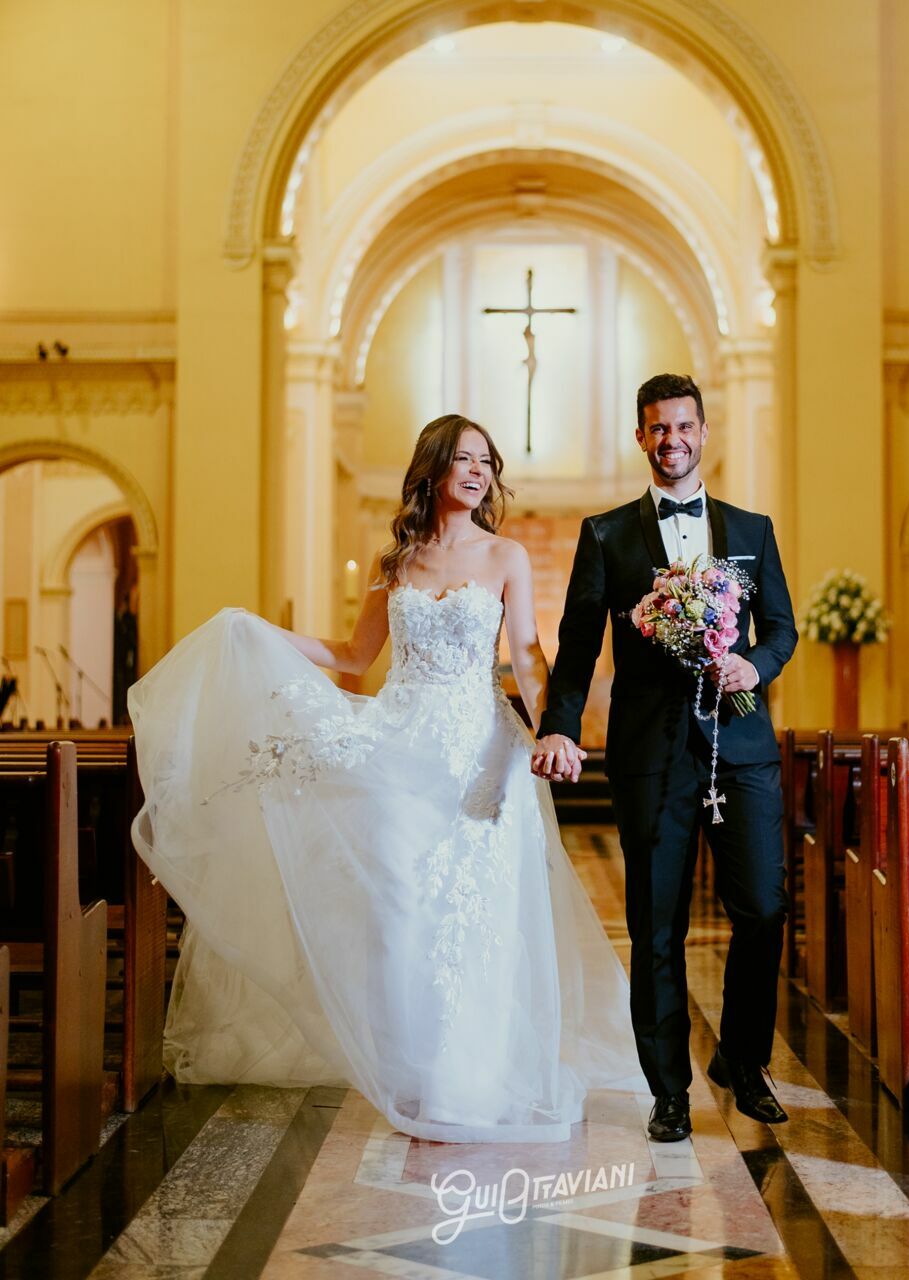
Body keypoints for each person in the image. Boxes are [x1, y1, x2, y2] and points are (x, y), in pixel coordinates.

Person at [129, 413, 645, 1143]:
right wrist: (259, 632)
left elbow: (527, 655)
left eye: (486, 462)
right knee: (402, 911)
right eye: (463, 459)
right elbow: (350, 655)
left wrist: (554, 729)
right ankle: (412, 1067)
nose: (477, 472)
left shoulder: (506, 556)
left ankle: (467, 1076)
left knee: (479, 912)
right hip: (398, 751)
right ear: (431, 470)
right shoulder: (396, 561)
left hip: (478, 753)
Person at [533, 372, 797, 1141]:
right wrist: (558, 725)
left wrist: (755, 665)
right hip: (650, 752)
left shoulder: (751, 530)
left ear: (703, 432)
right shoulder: (607, 535)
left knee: (763, 908)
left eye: (683, 427)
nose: (670, 441)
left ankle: (743, 1062)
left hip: (740, 742)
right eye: (656, 429)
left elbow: (779, 627)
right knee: (656, 925)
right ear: (640, 436)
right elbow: (577, 645)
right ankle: (668, 1090)